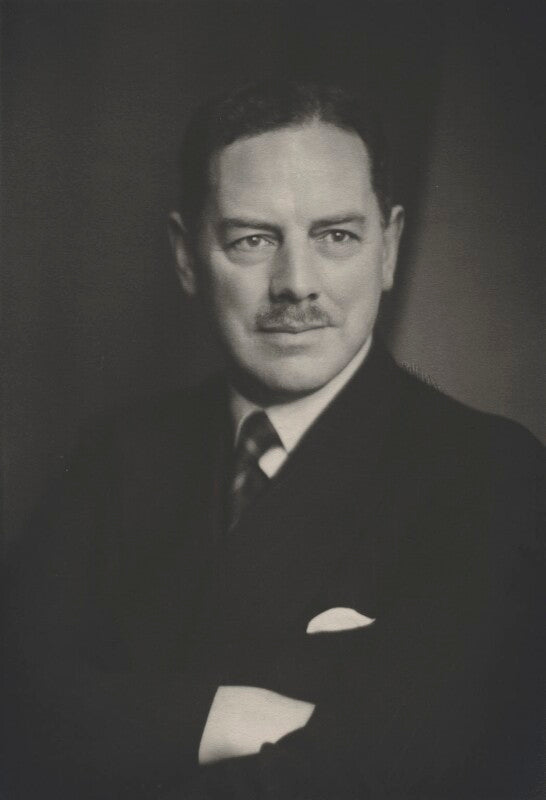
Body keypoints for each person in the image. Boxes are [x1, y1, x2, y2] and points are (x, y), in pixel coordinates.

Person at [2, 79, 544, 799]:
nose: (296, 284)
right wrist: (224, 714)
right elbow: (16, 708)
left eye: (336, 236)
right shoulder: (116, 456)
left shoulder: (490, 474)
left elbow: (405, 770)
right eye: (253, 240)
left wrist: (120, 728)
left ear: (389, 249)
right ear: (187, 256)